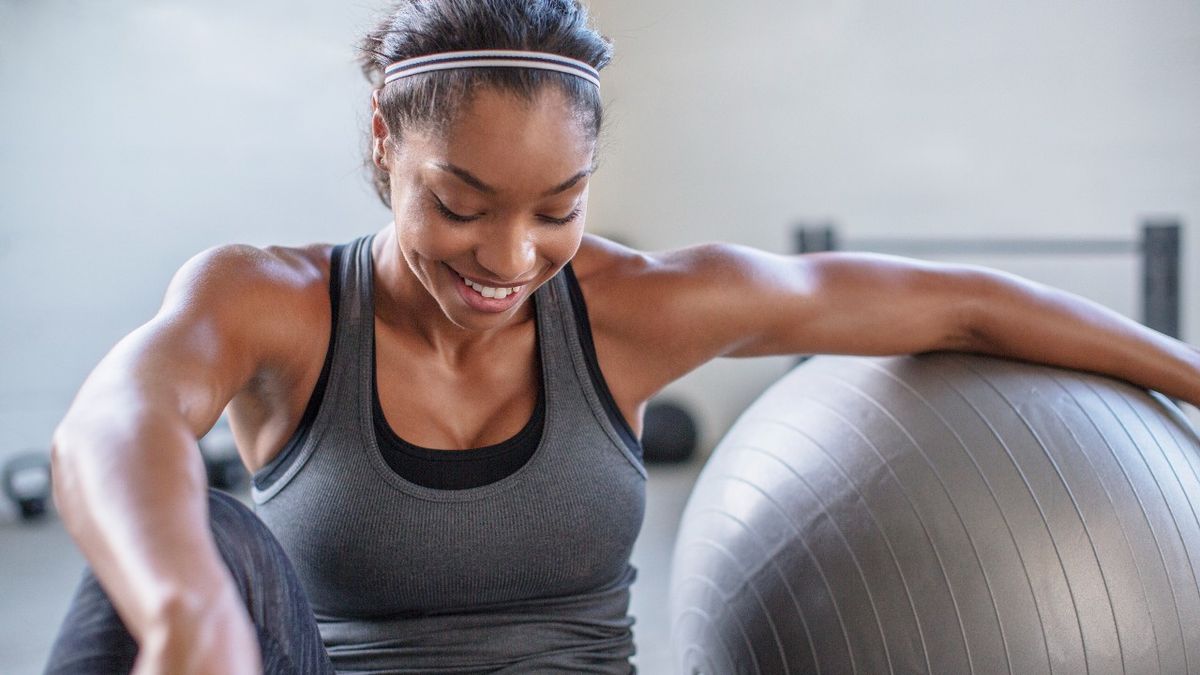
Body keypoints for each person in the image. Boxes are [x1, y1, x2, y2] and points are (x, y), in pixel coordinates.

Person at [45, 1, 1200, 673]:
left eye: (558, 209)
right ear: (385, 141)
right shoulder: (273, 300)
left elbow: (959, 304)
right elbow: (112, 422)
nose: (507, 259)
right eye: (461, 205)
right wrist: (184, 608)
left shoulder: (630, 308)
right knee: (208, 540)